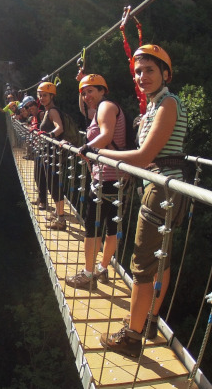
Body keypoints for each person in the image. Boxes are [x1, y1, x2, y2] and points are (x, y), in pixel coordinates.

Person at [94, 45, 187, 357]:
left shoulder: (167, 105)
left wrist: (100, 152)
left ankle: (132, 337)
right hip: (168, 189)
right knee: (160, 259)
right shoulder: (156, 106)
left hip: (161, 191)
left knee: (142, 264)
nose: (142, 76)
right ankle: (148, 322)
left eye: (149, 70)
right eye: (138, 71)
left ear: (166, 74)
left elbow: (145, 157)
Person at [65, 74, 127, 289]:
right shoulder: (101, 109)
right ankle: (101, 269)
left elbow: (107, 135)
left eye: (91, 90)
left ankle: (88, 274)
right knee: (111, 226)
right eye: (84, 92)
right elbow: (87, 111)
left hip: (106, 177)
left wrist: (87, 148)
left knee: (92, 227)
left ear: (103, 90)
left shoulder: (106, 107)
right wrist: (82, 80)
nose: (86, 95)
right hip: (116, 177)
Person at [33, 82, 67, 230]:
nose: (42, 98)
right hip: (49, 153)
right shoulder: (48, 111)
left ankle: (61, 219)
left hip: (53, 154)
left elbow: (60, 128)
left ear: (52, 96)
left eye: (45, 95)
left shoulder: (52, 111)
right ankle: (57, 213)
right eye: (40, 95)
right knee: (51, 183)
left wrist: (49, 135)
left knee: (54, 185)